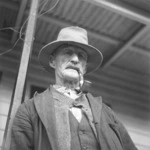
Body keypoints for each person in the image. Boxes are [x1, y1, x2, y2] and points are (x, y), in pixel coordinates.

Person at [10, 26, 138, 150]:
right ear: (52, 61)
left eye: (81, 56)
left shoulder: (107, 113)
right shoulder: (30, 110)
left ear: (85, 68)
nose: (75, 59)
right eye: (68, 52)